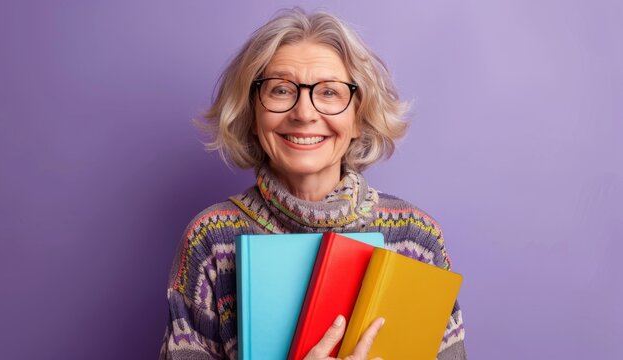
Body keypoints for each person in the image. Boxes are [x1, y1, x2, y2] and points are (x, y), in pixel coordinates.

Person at [160, 8, 466, 360]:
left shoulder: (417, 239)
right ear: (251, 113)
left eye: (329, 93)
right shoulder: (210, 239)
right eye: (280, 90)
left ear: (359, 117)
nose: (304, 113)